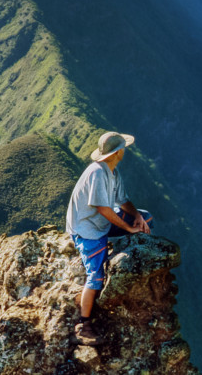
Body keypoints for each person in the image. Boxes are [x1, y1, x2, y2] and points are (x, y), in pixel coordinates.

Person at [66, 130, 153, 346]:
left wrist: (137, 217)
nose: (125, 151)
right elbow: (103, 209)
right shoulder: (97, 173)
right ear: (117, 152)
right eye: (122, 148)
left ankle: (119, 250)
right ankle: (83, 325)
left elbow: (123, 201)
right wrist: (127, 228)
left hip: (101, 223)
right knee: (96, 276)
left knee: (147, 220)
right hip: (87, 229)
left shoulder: (112, 172)